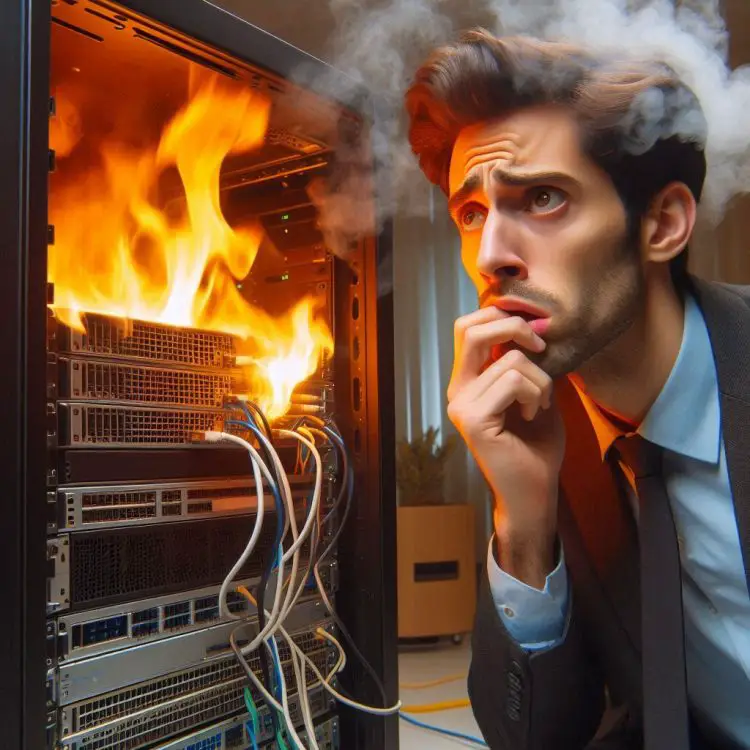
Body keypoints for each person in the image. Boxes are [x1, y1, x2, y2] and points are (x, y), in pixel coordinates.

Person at [404, 29, 750, 750]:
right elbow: (537, 739)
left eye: (544, 198)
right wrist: (523, 524)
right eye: (472, 213)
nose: (492, 254)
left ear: (662, 223)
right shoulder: (536, 430)